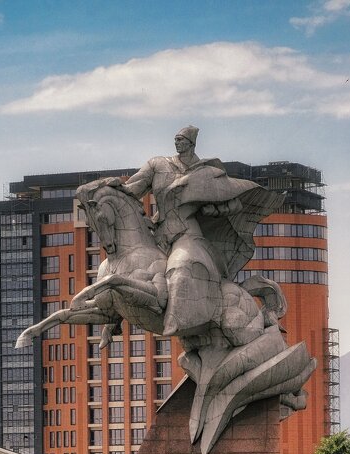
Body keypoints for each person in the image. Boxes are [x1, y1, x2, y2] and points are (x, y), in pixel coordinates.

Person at [113, 125, 282, 338]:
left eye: (181, 139)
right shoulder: (158, 165)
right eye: (176, 139)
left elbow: (234, 204)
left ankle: (174, 320)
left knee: (182, 265)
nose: (177, 143)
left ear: (191, 143)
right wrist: (113, 189)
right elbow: (132, 189)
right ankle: (113, 316)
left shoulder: (206, 172)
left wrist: (215, 209)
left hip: (187, 232)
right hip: (159, 231)